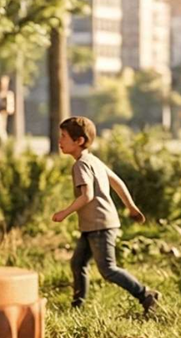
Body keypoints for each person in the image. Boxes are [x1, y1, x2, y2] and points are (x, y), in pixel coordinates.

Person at [51, 116, 161, 316]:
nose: (59, 141)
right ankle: (78, 306)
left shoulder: (81, 165)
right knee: (78, 263)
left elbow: (87, 195)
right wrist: (131, 206)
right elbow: (117, 182)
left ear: (79, 141)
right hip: (94, 225)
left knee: (108, 270)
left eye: (64, 136)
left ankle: (146, 295)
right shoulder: (94, 160)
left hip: (99, 226)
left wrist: (64, 213)